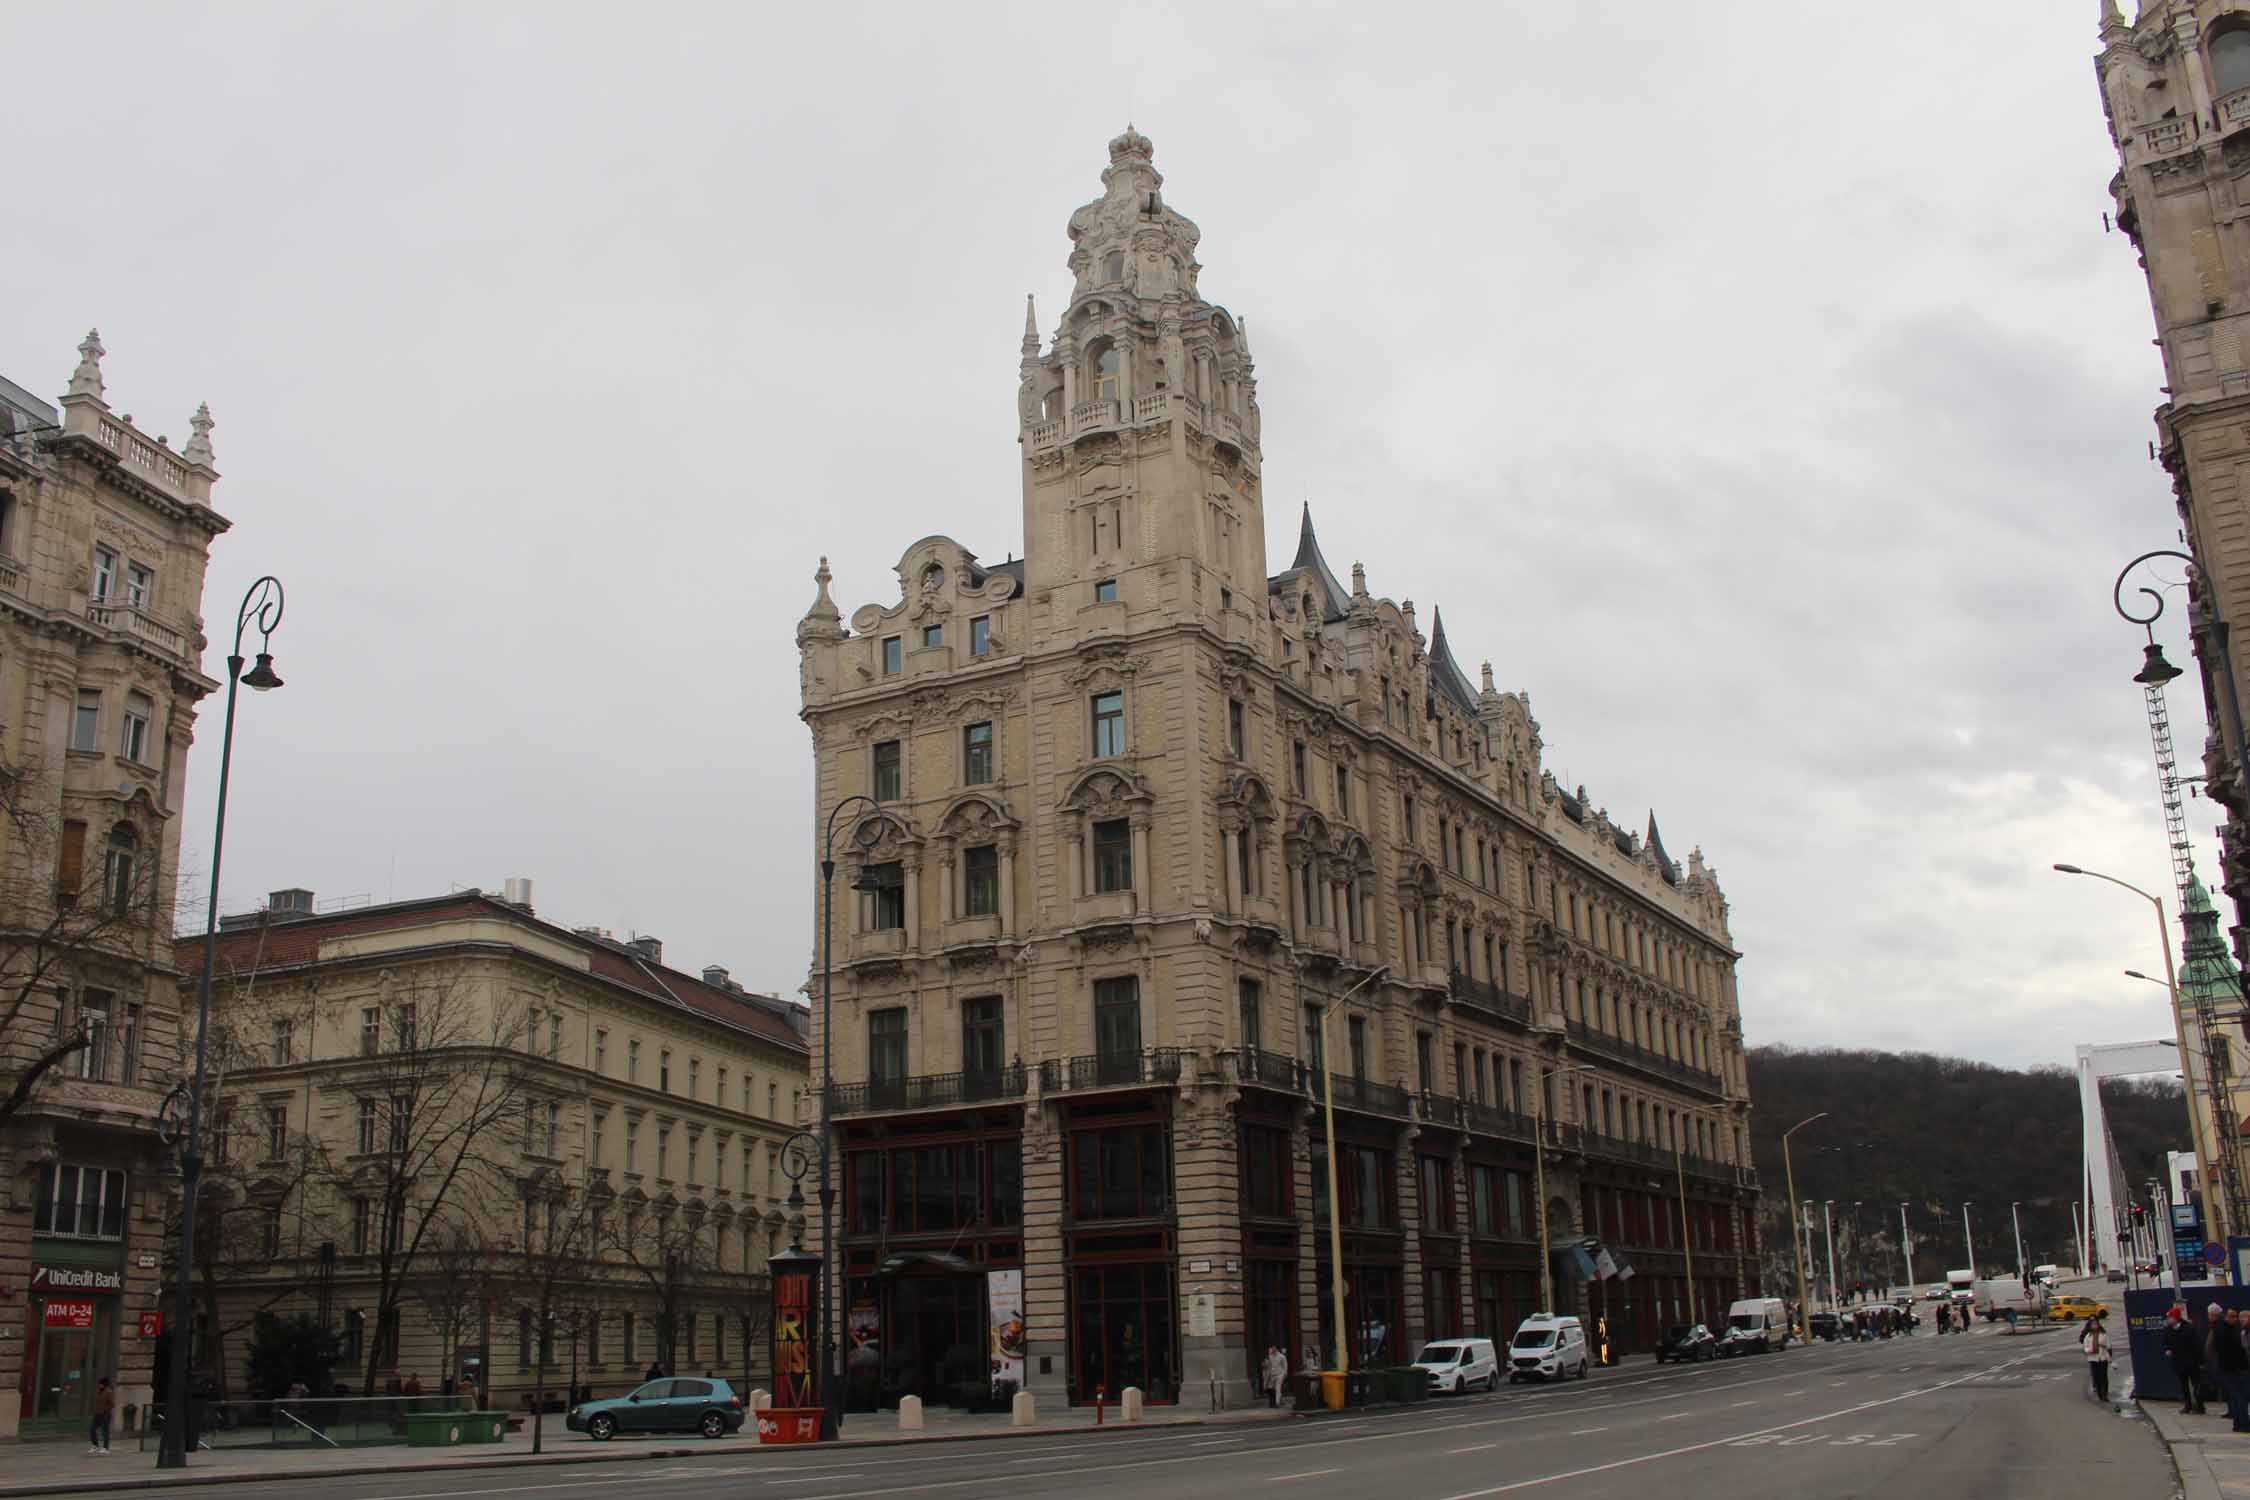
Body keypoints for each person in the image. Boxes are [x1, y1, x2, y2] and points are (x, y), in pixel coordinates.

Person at [2165, 1305, 2208, 1415]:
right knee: (2183, 1385)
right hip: (2178, 1362)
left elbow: (2197, 1345)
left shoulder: (2189, 1328)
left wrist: (2201, 1361)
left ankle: (2199, 1406)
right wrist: (2168, 1349)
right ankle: (2187, 1405)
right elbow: (2165, 1342)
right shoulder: (2168, 1329)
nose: (2168, 1320)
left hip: (2191, 1362)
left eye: (2170, 1317)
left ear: (2176, 1318)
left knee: (2196, 1384)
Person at [2214, 1304, 2250, 1432]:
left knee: (2237, 1397)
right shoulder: (2227, 1330)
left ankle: (2238, 1424)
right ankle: (2244, 1423)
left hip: (2232, 1368)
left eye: (2236, 1317)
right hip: (2234, 1369)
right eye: (2232, 1316)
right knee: (2241, 1397)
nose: (2235, 1319)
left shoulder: (2229, 1329)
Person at [2082, 1308, 2113, 1406]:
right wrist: (2089, 1350)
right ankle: (2100, 1394)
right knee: (2097, 1377)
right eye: (2093, 1324)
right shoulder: (2088, 1336)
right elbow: (2085, 1348)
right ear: (2090, 1326)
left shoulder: (2103, 1334)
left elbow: (2109, 1345)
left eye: (2096, 1324)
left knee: (2104, 1376)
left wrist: (2109, 1355)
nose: (2095, 1326)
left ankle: (2105, 1394)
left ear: (2099, 1325)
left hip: (2102, 1358)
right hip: (2093, 1358)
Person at [88, 1377, 113, 1456]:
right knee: (92, 1429)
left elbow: (112, 1404)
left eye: (101, 1384)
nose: (99, 1385)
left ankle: (105, 1448)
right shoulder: (97, 1391)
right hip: (97, 1414)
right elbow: (94, 1402)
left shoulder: (108, 1392)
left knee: (105, 1431)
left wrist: (105, 1410)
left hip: (105, 1414)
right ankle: (95, 1445)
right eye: (99, 1383)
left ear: (105, 1384)